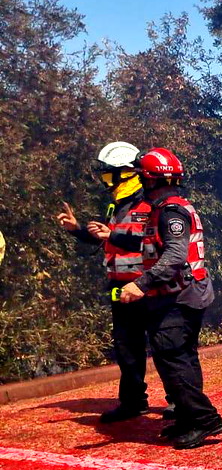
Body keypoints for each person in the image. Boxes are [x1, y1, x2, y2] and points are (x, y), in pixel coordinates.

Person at [118, 148, 222, 450]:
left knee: (172, 357)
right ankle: (188, 417)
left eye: (142, 178)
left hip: (179, 296)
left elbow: (176, 256)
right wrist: (108, 236)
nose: (140, 184)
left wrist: (141, 284)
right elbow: (149, 242)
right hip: (187, 293)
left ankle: (204, 419)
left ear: (152, 180)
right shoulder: (168, 208)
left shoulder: (170, 212)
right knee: (182, 356)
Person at [56, 142, 168, 423]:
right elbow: (106, 240)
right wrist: (77, 230)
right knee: (126, 348)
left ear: (128, 174)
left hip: (149, 287)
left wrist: (112, 235)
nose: (107, 183)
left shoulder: (152, 204)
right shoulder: (115, 206)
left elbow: (149, 242)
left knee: (165, 345)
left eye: (110, 176)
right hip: (120, 288)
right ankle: (133, 402)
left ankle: (179, 401)